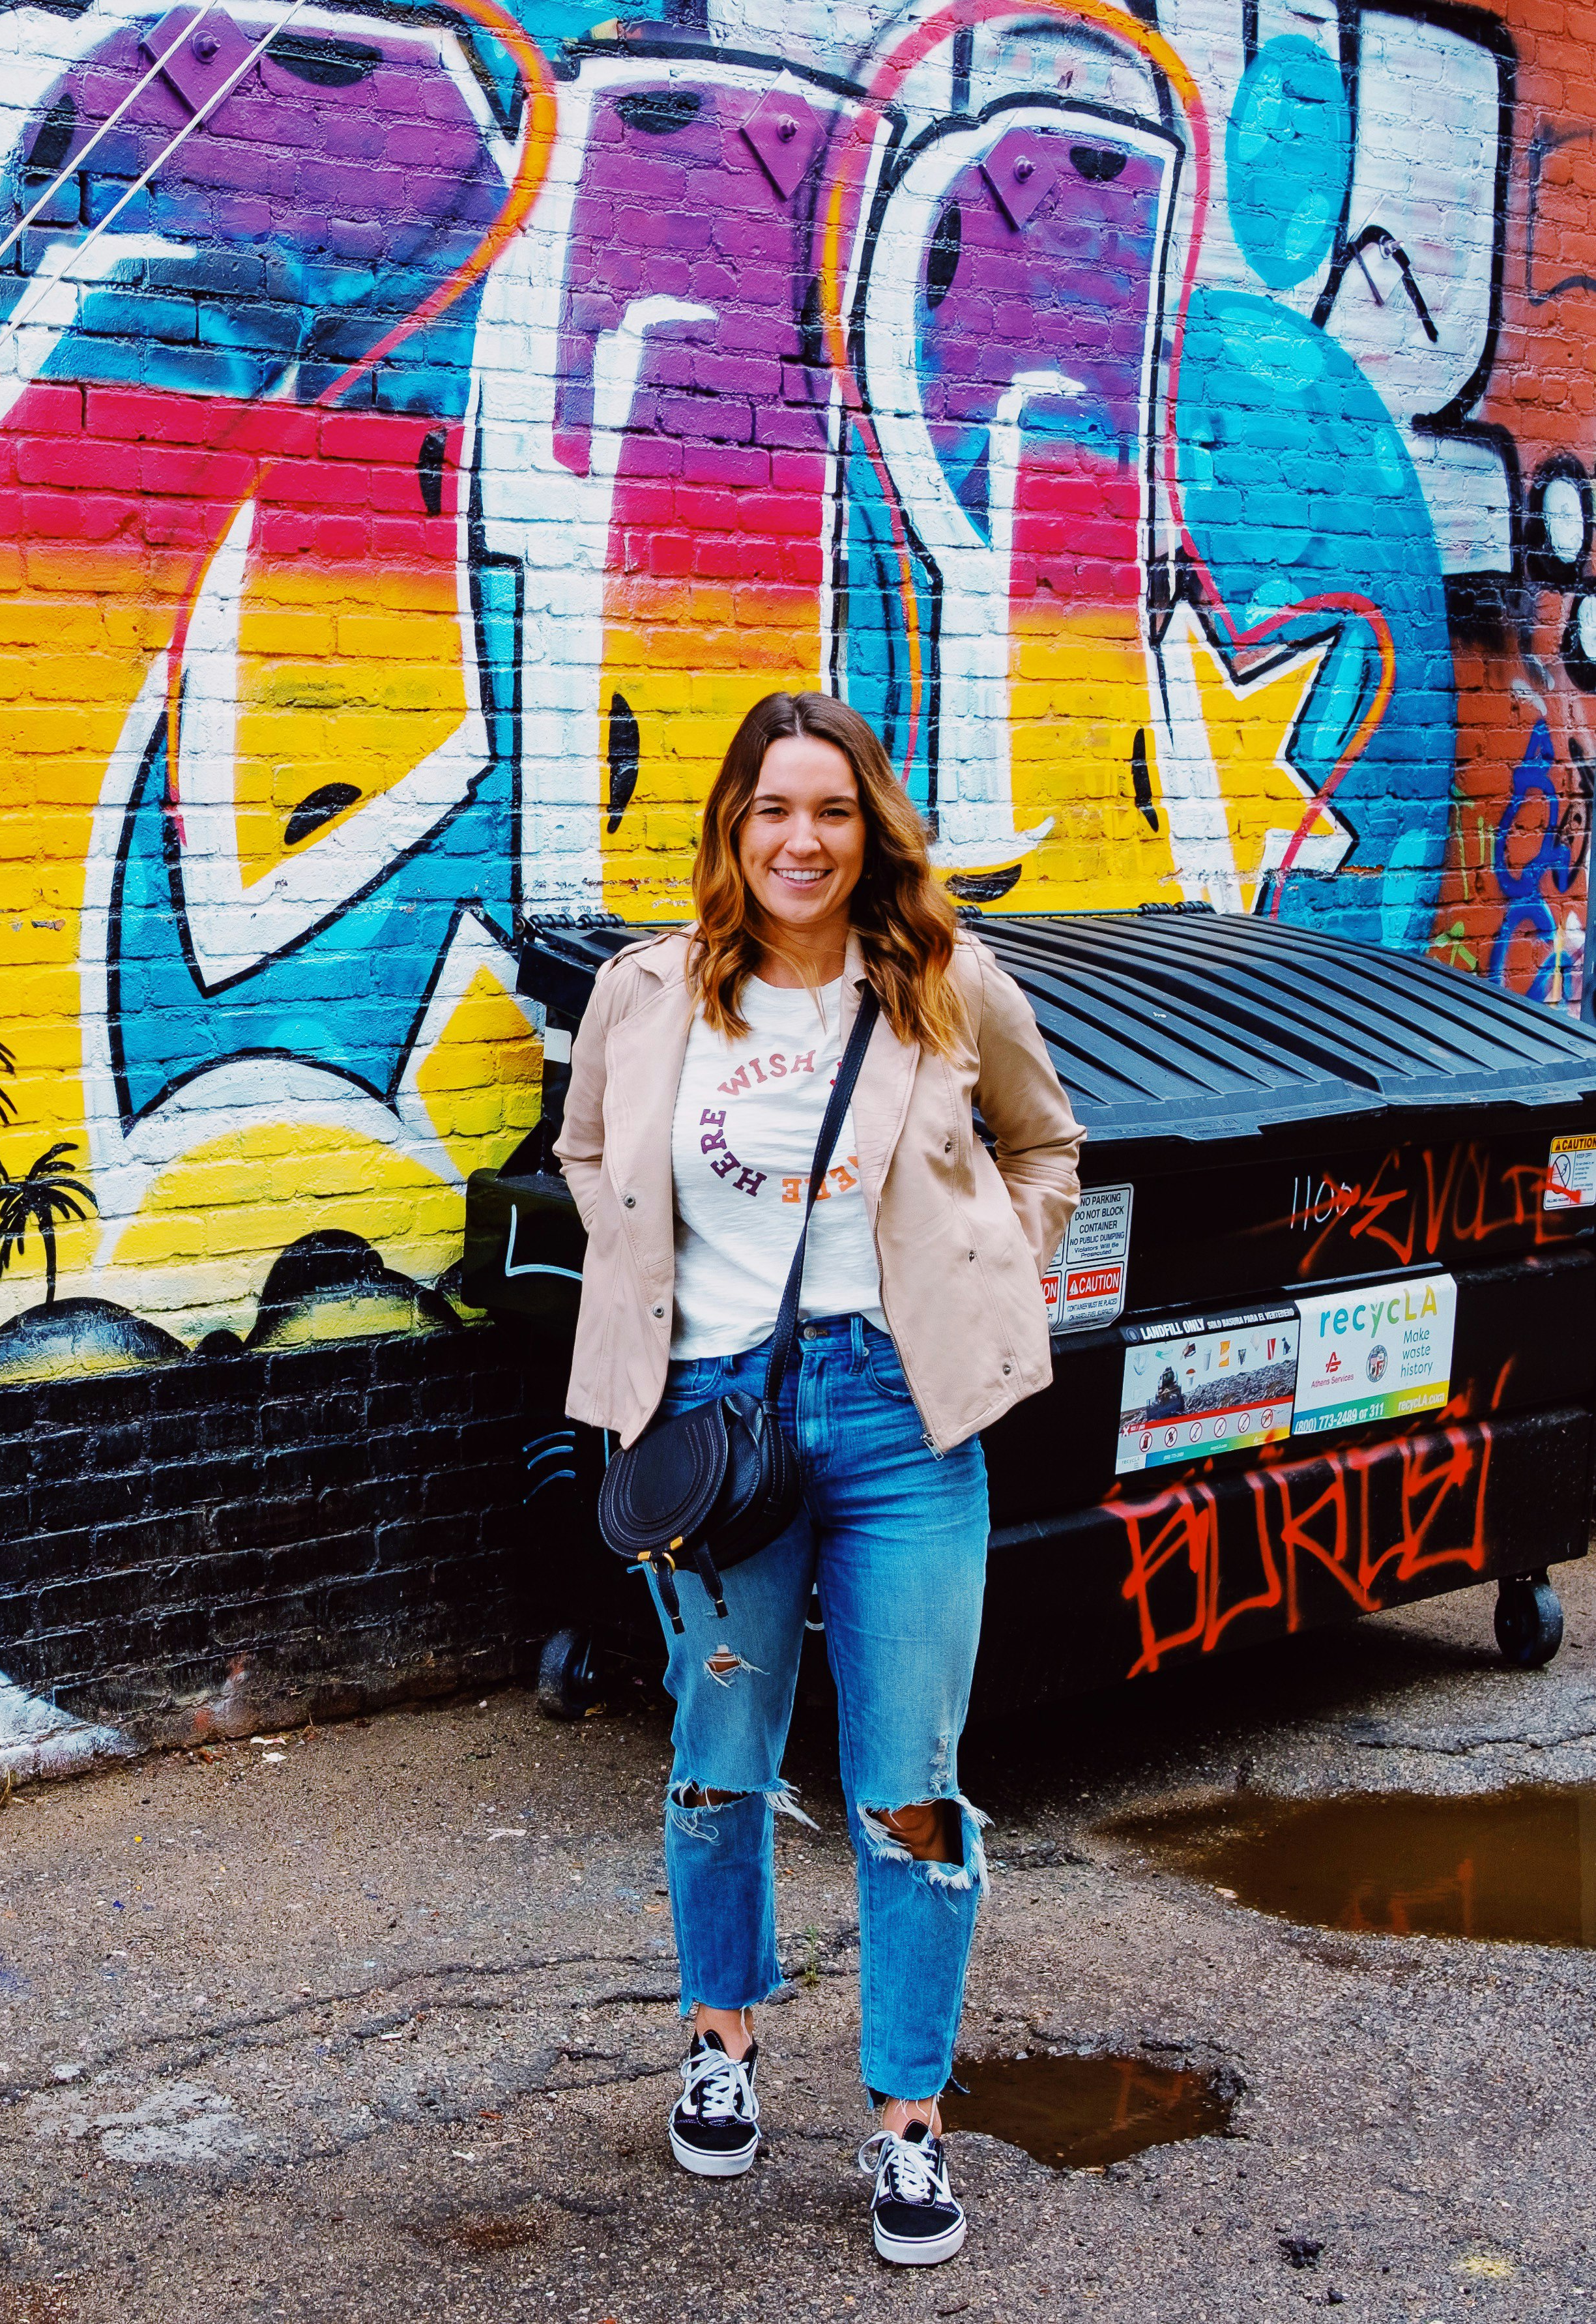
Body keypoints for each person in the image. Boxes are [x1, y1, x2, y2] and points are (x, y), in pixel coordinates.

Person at [553, 692, 1083, 2267]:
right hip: (710, 1427)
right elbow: (586, 1152)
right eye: (773, 809)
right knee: (720, 1751)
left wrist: (1001, 1264)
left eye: (832, 812)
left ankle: (908, 2124)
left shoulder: (945, 983)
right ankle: (719, 2035)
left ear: (873, 832)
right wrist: (649, 1279)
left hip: (906, 1418)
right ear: (731, 826)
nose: (801, 840)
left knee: (912, 1788)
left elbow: (1047, 1146)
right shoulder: (647, 993)